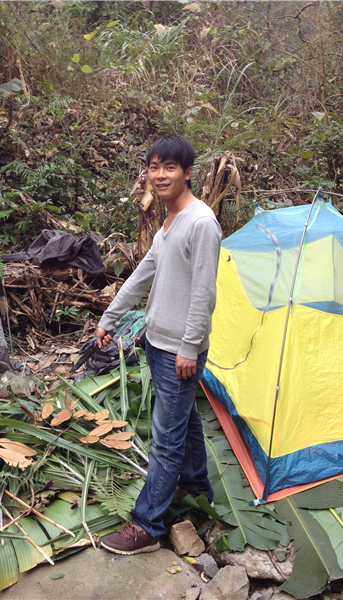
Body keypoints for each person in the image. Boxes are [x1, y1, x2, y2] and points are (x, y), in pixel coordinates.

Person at [96, 135, 222, 555]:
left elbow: (204, 293)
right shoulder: (168, 224)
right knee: (183, 421)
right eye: (153, 166)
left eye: (169, 167)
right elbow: (141, 276)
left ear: (188, 173)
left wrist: (189, 347)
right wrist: (109, 318)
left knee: (165, 439)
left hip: (178, 351)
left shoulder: (201, 223)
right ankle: (196, 483)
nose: (160, 174)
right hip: (158, 342)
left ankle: (146, 525)